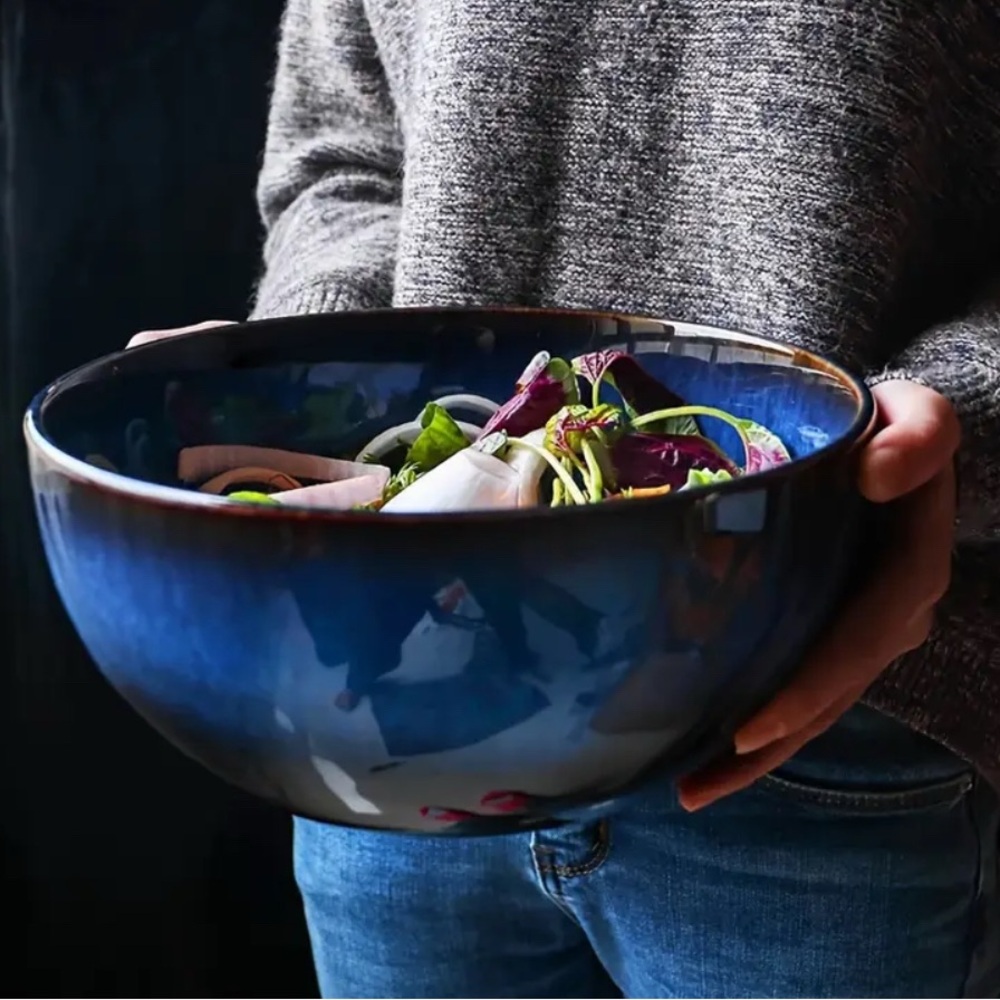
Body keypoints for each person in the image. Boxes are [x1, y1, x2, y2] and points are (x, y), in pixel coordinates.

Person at [131, 1, 1000, 996]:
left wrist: (954, 427)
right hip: (395, 717)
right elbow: (348, 149)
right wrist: (311, 378)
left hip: (823, 720)